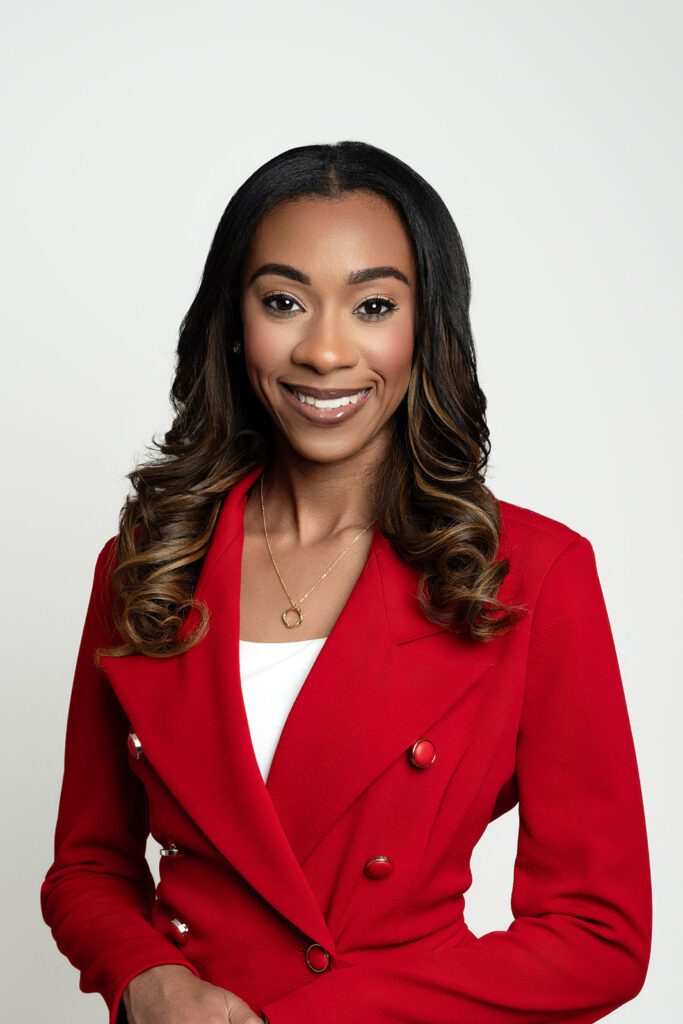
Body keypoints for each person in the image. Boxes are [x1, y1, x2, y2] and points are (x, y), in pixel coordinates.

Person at [40, 141, 652, 1024]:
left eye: (372, 306)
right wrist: (153, 982)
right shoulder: (146, 561)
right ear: (234, 319)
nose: (325, 352)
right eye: (283, 302)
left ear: (424, 325)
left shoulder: (530, 573)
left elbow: (597, 936)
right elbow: (89, 865)